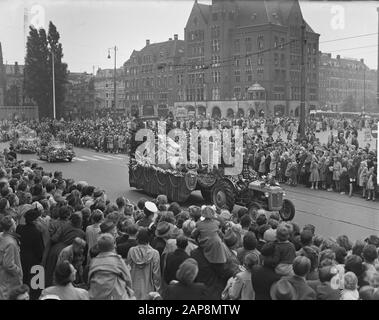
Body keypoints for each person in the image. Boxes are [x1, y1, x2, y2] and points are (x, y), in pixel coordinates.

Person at [88, 233, 134, 300]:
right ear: (113, 246)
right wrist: (130, 292)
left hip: (96, 295)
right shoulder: (117, 259)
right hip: (116, 295)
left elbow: (89, 279)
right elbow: (128, 279)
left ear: (98, 247)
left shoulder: (94, 261)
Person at [15, 208, 44, 299]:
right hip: (33, 261)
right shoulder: (37, 232)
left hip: (20, 258)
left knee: (22, 282)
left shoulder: (19, 228)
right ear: (34, 220)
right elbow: (40, 251)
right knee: (35, 288)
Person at [126, 228, 161, 300]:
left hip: (133, 285)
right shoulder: (155, 253)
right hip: (148, 287)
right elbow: (156, 274)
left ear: (137, 238)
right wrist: (157, 289)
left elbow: (128, 268)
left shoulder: (131, 251)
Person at [0, 216, 23, 300]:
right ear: (11, 227)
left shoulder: (1, 236)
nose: (16, 224)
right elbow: (9, 264)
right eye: (14, 223)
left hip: (2, 274)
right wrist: (18, 271)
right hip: (10, 278)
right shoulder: (11, 243)